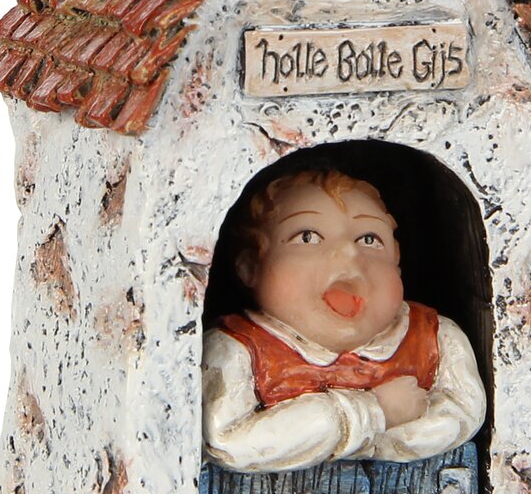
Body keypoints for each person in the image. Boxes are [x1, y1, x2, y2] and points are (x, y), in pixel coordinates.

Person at [202, 166, 486, 472]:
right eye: (308, 237)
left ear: (397, 263)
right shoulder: (237, 350)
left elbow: (464, 413)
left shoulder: (435, 339)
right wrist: (373, 413)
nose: (349, 254)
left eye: (368, 239)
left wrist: (374, 444)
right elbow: (226, 442)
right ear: (250, 267)